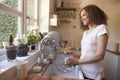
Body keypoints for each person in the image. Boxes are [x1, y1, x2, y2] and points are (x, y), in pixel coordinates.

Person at [66, 4, 109, 80]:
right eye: (81, 17)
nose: (82, 19)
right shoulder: (85, 33)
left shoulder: (101, 28)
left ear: (92, 14)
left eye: (84, 15)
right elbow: (88, 51)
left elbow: (100, 55)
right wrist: (76, 53)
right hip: (83, 70)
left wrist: (78, 61)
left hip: (93, 73)